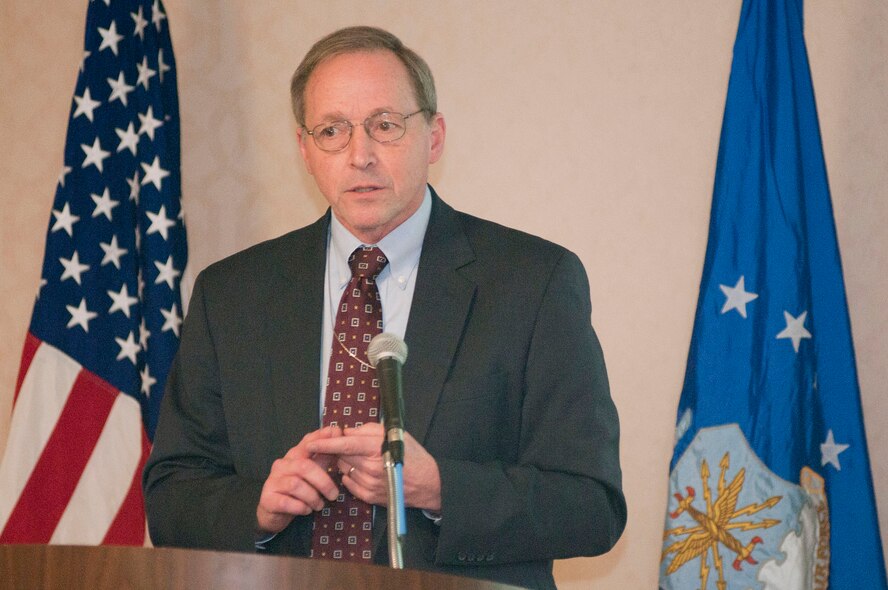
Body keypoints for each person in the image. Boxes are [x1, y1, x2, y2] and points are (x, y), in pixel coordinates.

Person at [143, 26, 625, 590]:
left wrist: (438, 486)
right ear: (304, 149)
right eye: (332, 131)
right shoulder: (232, 294)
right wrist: (259, 507)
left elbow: (592, 505)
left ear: (434, 136)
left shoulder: (532, 283)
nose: (360, 155)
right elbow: (171, 495)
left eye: (385, 125)